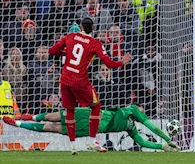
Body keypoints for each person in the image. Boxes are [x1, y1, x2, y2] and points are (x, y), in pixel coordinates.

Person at [48, 17, 132, 154]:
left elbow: (52, 51)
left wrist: (65, 53)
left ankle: (72, 145)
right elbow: (109, 63)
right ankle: (92, 141)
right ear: (93, 28)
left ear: (80, 27)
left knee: (70, 110)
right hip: (80, 81)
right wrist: (122, 62)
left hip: (65, 79)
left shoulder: (70, 36)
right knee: (96, 106)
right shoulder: (95, 44)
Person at [3, 104, 180, 152]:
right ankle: (29, 117)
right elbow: (151, 127)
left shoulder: (131, 128)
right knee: (55, 117)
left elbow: (142, 141)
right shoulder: (133, 110)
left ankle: (17, 123)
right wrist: (167, 139)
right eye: (143, 110)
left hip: (91, 128)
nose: (143, 113)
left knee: (54, 128)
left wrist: (162, 146)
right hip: (91, 115)